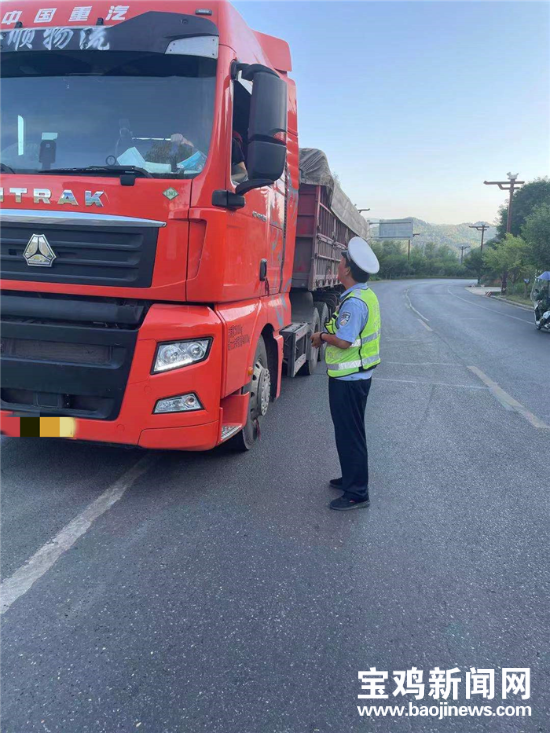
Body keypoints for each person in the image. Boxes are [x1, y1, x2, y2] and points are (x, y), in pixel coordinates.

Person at [311, 237, 381, 511]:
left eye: (341, 262)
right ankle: (351, 478)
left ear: (348, 269)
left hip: (350, 380)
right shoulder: (364, 294)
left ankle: (357, 494)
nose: (338, 265)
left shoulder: (354, 303)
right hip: (356, 377)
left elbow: (344, 340)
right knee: (349, 432)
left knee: (350, 434)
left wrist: (321, 336)